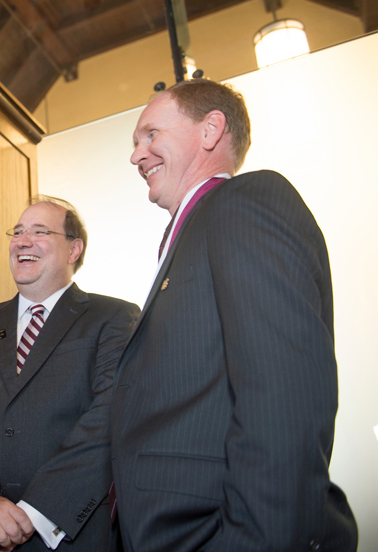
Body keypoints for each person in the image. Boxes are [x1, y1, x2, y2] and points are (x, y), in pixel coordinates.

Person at [110, 79, 358, 551]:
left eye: (150, 135)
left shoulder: (246, 202)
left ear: (211, 130)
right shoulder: (193, 235)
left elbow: (283, 399)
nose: (136, 155)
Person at [0, 196, 140, 552]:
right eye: (18, 232)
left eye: (40, 231)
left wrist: (31, 515)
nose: (23, 241)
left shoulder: (113, 318)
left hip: (64, 534)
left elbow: (109, 417)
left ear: (74, 249)